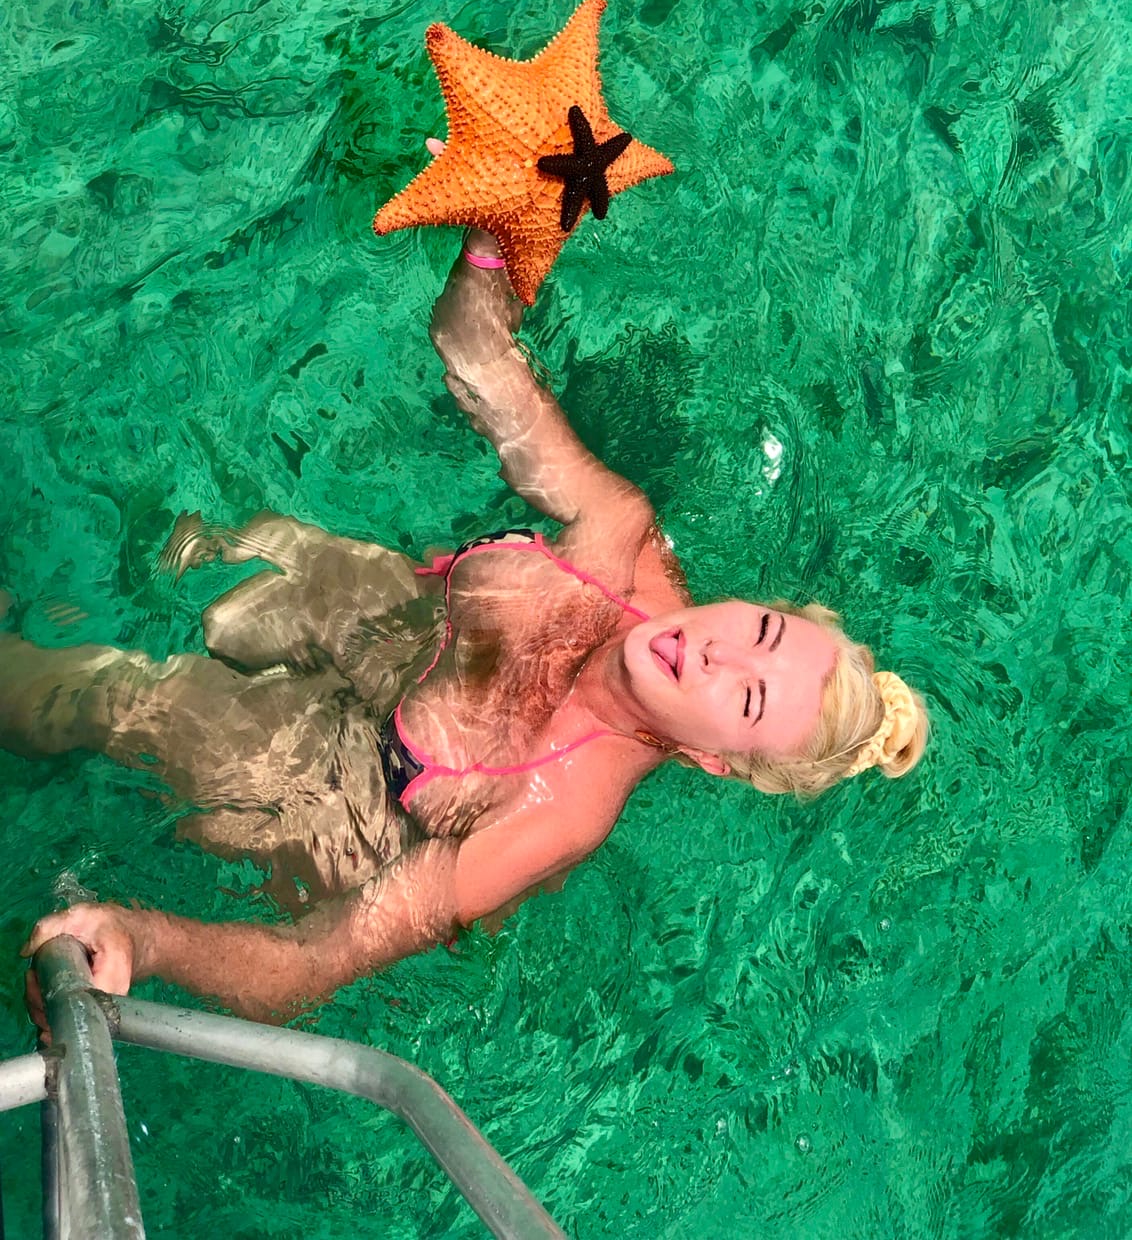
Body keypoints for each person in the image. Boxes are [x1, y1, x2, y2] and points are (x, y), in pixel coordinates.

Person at [6, 216, 928, 1023]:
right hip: (396, 628)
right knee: (198, 544)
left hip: (347, 797)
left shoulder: (559, 812)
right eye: (761, 631)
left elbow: (312, 964)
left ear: (714, 759)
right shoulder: (621, 536)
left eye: (749, 698)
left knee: (108, 696)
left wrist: (141, 939)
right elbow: (477, 354)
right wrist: (499, 235)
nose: (720, 654)